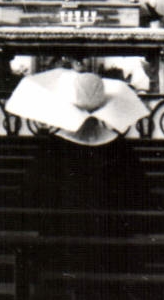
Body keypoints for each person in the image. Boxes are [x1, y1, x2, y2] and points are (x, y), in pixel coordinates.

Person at [10, 67, 153, 234]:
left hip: (60, 239)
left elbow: (31, 195)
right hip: (111, 239)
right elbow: (140, 195)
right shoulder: (121, 147)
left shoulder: (52, 147)